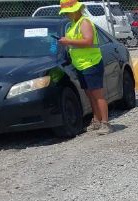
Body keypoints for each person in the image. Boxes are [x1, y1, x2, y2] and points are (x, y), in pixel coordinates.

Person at [58, 0, 111, 135]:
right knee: (90, 95)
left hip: (91, 63)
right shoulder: (73, 25)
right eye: (65, 13)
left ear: (76, 10)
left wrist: (68, 41)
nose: (67, 15)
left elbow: (88, 41)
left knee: (97, 95)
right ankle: (96, 120)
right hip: (81, 64)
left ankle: (105, 123)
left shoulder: (84, 22)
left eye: (68, 12)